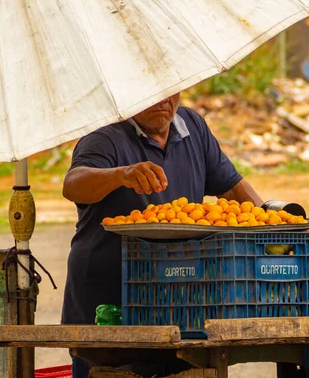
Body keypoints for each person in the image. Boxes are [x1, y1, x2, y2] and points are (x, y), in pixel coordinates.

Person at [61, 93, 263, 377]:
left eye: (171, 92)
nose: (163, 101)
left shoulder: (192, 126)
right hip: (109, 301)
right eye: (153, 93)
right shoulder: (104, 137)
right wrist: (121, 174)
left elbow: (230, 187)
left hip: (176, 297)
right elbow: (73, 185)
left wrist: (268, 220)